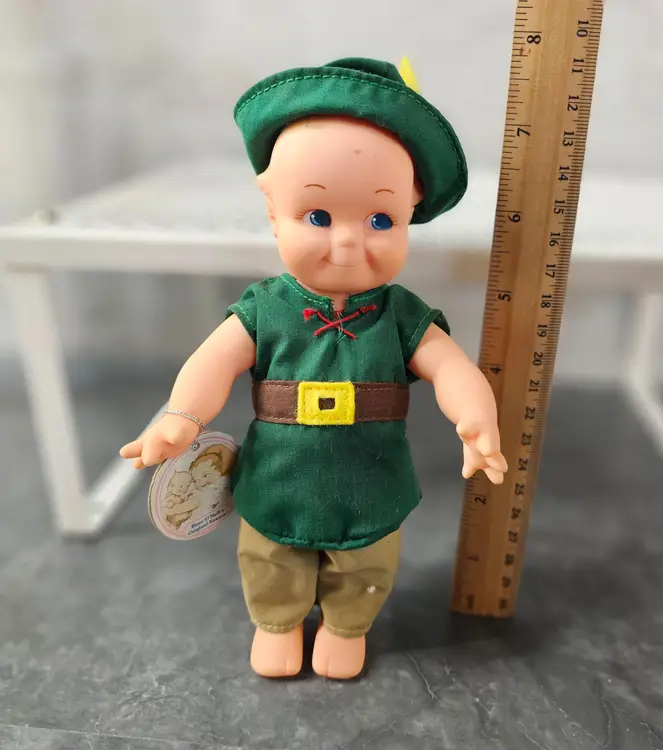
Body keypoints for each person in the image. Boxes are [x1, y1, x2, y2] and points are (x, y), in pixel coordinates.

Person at [121, 57, 507, 680]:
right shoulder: (265, 307)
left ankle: (346, 625)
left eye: (380, 221)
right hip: (280, 472)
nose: (349, 242)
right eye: (319, 217)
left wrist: (476, 414)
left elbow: (451, 367)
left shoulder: (400, 314)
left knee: (367, 564)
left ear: (410, 210)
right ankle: (276, 622)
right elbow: (213, 359)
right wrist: (182, 416)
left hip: (371, 475)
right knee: (270, 554)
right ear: (272, 209)